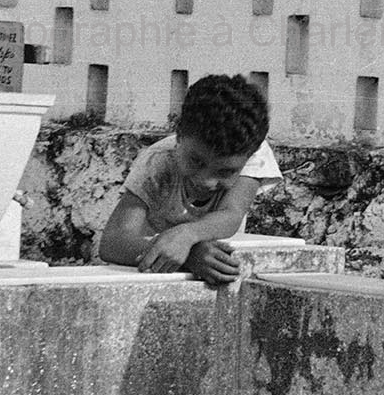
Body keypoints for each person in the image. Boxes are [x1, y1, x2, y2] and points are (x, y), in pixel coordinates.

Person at [98, 74, 281, 286]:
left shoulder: (251, 151)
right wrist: (187, 256)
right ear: (179, 136)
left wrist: (187, 236)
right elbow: (113, 242)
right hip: (149, 277)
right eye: (196, 162)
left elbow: (231, 214)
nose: (206, 181)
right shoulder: (157, 163)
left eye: (225, 172)